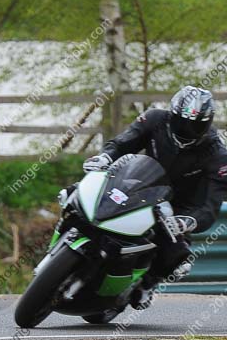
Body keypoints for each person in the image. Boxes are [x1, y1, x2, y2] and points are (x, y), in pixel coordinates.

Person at [83, 86, 227, 309]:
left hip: (176, 208)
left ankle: (147, 284)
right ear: (172, 114)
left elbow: (210, 206)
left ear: (208, 123)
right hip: (138, 184)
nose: (188, 129)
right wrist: (105, 157)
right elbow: (123, 142)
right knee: (80, 191)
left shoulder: (218, 156)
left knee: (180, 259)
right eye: (183, 121)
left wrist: (188, 221)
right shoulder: (154, 119)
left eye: (196, 124)